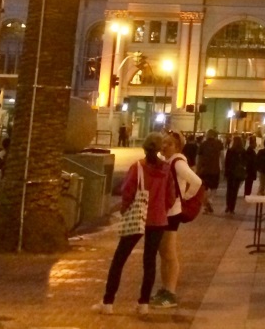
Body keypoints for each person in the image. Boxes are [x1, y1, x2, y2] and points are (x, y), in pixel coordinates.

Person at [94, 133, 176, 315]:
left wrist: (125, 210)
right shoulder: (166, 169)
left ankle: (108, 302)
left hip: (137, 216)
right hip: (158, 219)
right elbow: (171, 196)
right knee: (150, 261)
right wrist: (162, 208)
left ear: (145, 148)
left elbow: (128, 193)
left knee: (120, 259)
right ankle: (143, 303)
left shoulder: (138, 167)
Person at [153, 130, 203, 310]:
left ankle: (170, 293)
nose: (165, 146)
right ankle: (164, 289)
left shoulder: (177, 162)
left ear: (177, 147)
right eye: (163, 143)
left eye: (169, 144)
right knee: (163, 253)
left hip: (172, 213)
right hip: (165, 212)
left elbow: (196, 181)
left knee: (169, 253)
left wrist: (185, 198)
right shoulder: (168, 161)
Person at [196, 130, 222, 213]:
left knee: (204, 188)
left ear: (207, 135)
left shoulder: (203, 145)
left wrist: (198, 169)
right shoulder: (219, 144)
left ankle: (206, 205)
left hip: (204, 169)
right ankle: (210, 200)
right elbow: (222, 157)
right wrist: (222, 168)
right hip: (215, 169)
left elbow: (199, 158)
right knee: (214, 187)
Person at [224, 135, 247, 213]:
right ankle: (232, 207)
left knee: (229, 189)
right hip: (238, 173)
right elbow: (245, 162)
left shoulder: (230, 150)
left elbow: (226, 162)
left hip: (230, 172)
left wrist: (225, 173)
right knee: (235, 190)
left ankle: (228, 205)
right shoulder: (243, 151)